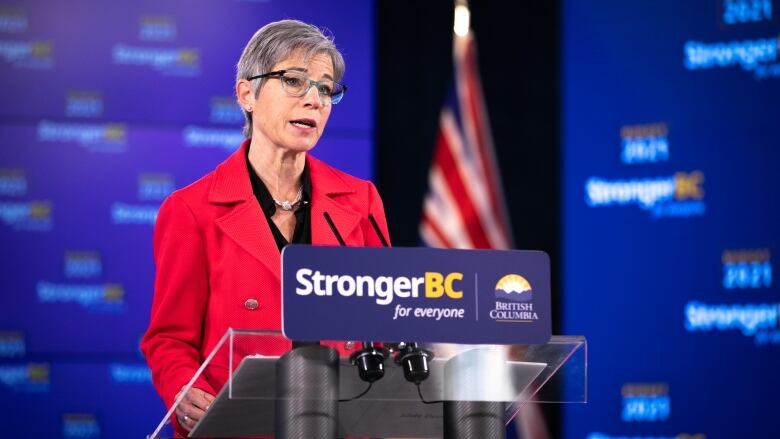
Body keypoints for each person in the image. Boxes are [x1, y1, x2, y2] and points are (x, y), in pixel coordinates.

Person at [141, 19, 390, 436]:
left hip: (343, 424)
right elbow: (169, 340)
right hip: (239, 424)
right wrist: (184, 389)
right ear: (246, 94)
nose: (314, 100)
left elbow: (384, 325)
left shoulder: (361, 201)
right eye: (294, 81)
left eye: (325, 88)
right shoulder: (191, 210)